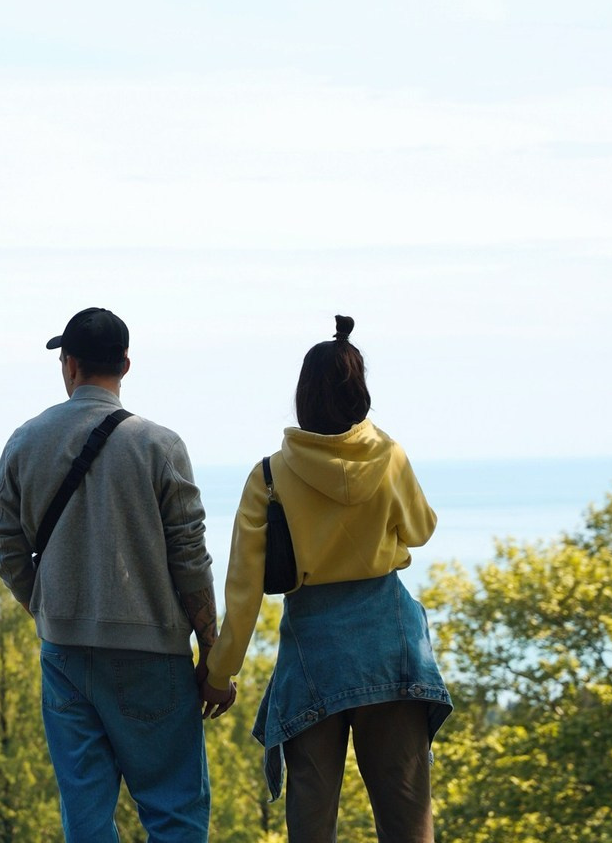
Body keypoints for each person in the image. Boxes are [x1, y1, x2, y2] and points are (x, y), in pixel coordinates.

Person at [0, 307, 234, 843]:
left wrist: (46, 605)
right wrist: (213, 649)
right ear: (125, 363)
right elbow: (190, 555)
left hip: (66, 655)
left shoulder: (25, 441)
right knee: (173, 813)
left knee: (88, 818)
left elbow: (6, 544)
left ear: (68, 365)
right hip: (153, 656)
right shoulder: (158, 445)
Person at [201, 316, 451, 843]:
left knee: (311, 827)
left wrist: (220, 673)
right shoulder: (390, 457)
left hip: (313, 655)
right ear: (362, 392)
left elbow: (244, 593)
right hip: (391, 646)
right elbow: (422, 530)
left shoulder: (269, 476)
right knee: (408, 821)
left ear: (303, 396)